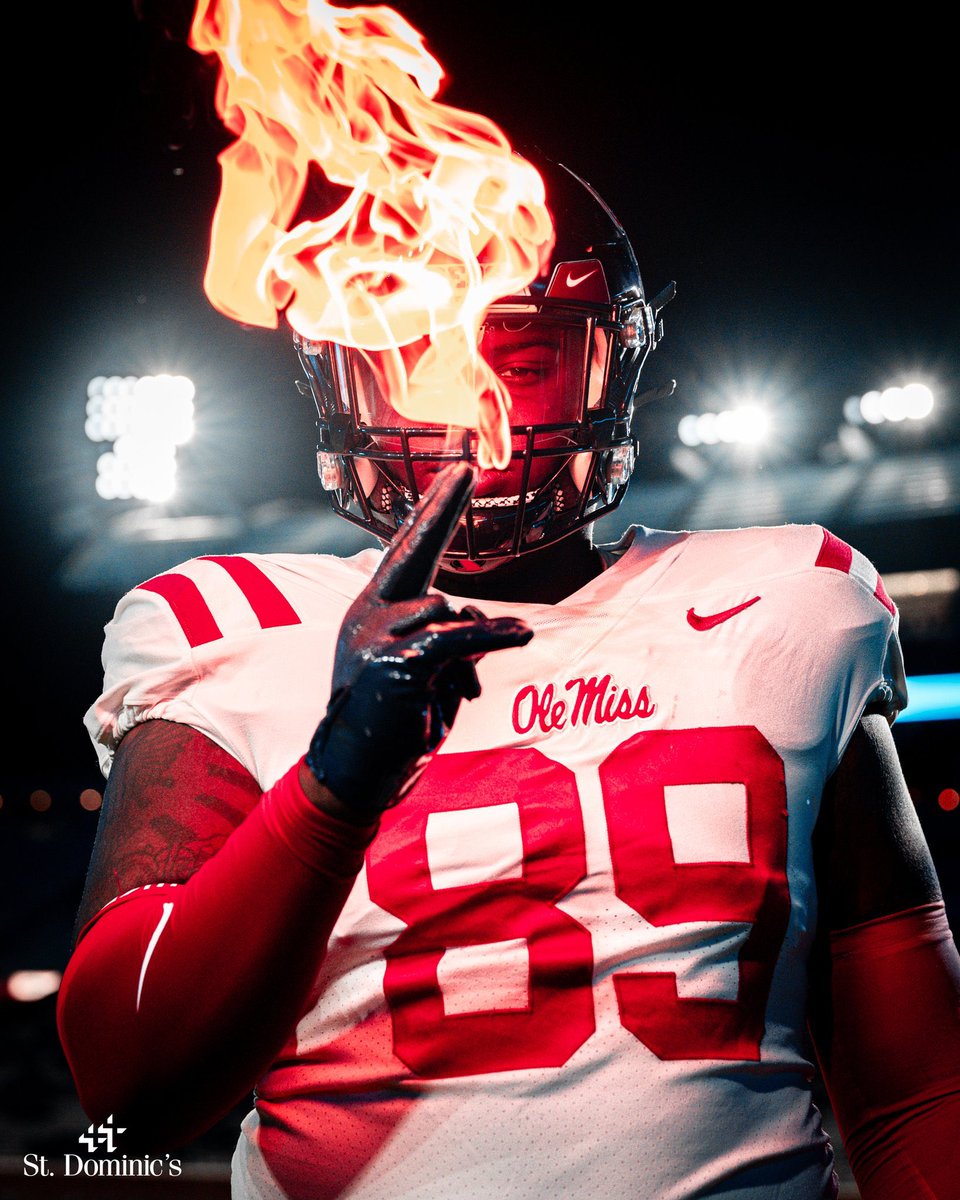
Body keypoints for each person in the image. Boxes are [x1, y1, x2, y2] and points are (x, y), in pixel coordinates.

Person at [57, 158, 960, 1200]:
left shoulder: (791, 601)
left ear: (612, 363)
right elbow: (128, 1098)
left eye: (522, 351)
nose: (469, 393)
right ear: (335, 374)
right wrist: (334, 784)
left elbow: (916, 1094)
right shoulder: (230, 624)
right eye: (410, 349)